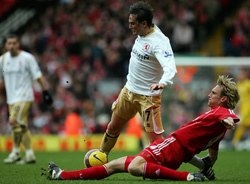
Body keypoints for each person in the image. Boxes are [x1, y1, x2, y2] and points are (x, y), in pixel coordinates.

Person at [43, 75, 240, 181]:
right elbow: (212, 155)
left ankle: (187, 178)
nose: (209, 95)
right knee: (113, 166)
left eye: (213, 93)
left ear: (223, 99)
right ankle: (61, 175)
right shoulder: (217, 127)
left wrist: (230, 120)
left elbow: (228, 116)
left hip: (170, 147)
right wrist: (206, 166)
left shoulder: (220, 113)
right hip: (175, 150)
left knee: (136, 167)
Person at [99, 1, 177, 155]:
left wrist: (162, 82)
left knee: (155, 141)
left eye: (133, 23)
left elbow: (170, 67)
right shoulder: (141, 33)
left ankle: (166, 167)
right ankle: (101, 156)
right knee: (112, 127)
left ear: (144, 23)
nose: (130, 26)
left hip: (148, 97)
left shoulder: (160, 42)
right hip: (128, 91)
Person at [0, 34, 53, 164]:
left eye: (14, 43)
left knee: (13, 121)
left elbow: (38, 75)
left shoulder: (27, 58)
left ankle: (20, 153)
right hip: (11, 98)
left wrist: (45, 91)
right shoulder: (2, 60)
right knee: (19, 126)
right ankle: (24, 154)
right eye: (9, 43)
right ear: (5, 45)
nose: (11, 46)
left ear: (18, 44)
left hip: (24, 96)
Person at [232, 68, 250, 148]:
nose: (239, 76)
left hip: (248, 107)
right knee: (247, 125)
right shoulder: (238, 85)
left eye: (241, 74)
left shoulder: (248, 84)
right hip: (242, 107)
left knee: (242, 124)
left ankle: (235, 142)